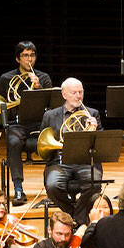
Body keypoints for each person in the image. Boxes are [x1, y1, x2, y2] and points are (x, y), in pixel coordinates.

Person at [0, 41, 55, 206]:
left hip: (40, 123)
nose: (29, 59)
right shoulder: (6, 78)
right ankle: (18, 189)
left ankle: (51, 189)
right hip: (17, 124)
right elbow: (1, 105)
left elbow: (51, 105)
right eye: (25, 55)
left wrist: (38, 87)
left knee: (54, 142)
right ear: (18, 58)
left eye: (32, 55)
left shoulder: (43, 78)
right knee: (13, 142)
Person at [40, 78, 102, 226]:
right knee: (53, 186)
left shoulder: (92, 114)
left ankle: (76, 219)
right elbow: (43, 140)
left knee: (95, 183)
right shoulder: (50, 116)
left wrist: (94, 131)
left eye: (80, 92)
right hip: (60, 162)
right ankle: (73, 214)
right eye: (74, 93)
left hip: (85, 162)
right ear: (64, 94)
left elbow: (101, 144)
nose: (78, 96)